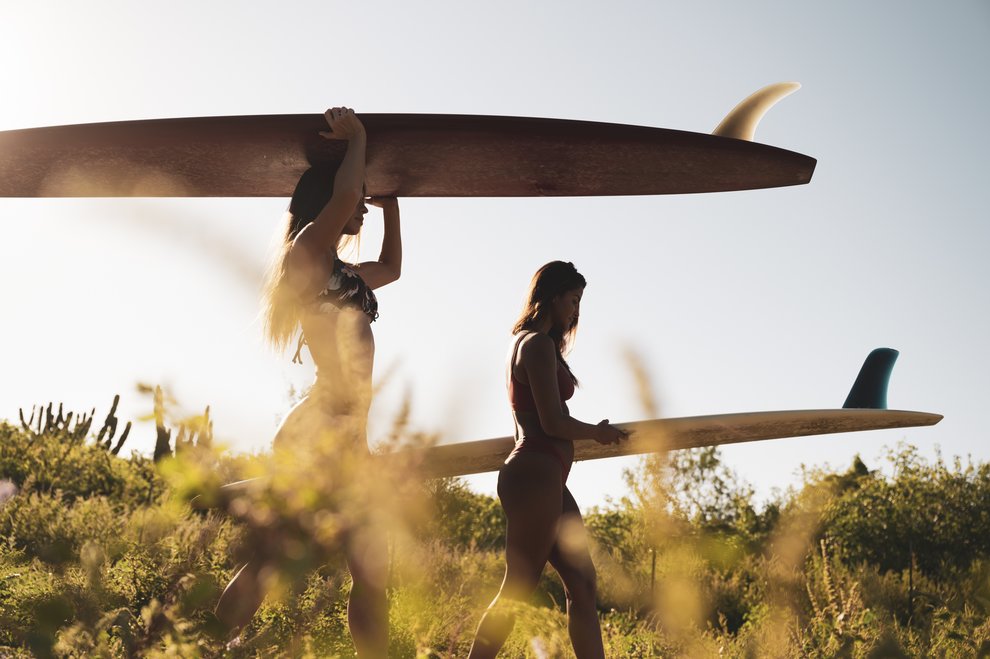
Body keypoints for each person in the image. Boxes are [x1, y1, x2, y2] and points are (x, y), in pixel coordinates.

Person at [215, 107, 400, 658]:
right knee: (274, 559)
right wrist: (358, 140)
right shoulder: (306, 257)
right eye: (358, 197)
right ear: (325, 205)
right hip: (321, 429)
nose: (360, 205)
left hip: (347, 435)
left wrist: (393, 208)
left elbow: (391, 268)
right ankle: (204, 647)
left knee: (372, 569)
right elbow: (344, 199)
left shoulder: (342, 273)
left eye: (365, 198)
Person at [469, 261, 628, 659]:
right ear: (553, 295)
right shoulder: (535, 345)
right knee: (519, 586)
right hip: (534, 473)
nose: (577, 311)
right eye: (573, 300)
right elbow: (552, 422)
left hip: (548, 477)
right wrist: (597, 431)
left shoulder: (535, 343)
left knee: (583, 582)